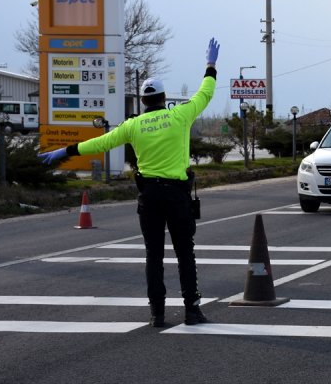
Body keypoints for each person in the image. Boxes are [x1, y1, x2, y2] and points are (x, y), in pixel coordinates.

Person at [38, 38, 221, 327]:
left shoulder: (132, 125)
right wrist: (210, 65)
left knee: (154, 256)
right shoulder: (181, 115)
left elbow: (99, 142)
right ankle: (192, 310)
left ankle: (157, 313)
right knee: (185, 253)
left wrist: (64, 151)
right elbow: (205, 92)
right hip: (177, 195)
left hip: (149, 197)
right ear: (163, 98)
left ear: (143, 100)